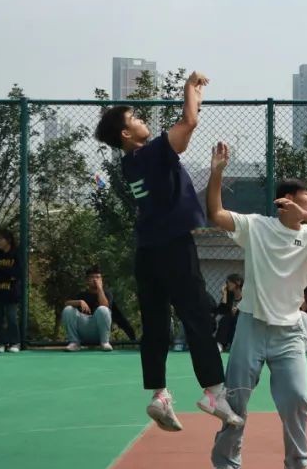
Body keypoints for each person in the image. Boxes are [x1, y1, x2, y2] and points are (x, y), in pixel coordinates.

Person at [94, 71, 240, 432]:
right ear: (126, 134)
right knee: (197, 316)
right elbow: (188, 123)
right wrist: (188, 88)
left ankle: (159, 395)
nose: (141, 119)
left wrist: (197, 95)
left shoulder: (130, 163)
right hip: (174, 246)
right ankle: (214, 393)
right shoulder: (151, 153)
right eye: (135, 118)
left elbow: (189, 121)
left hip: (147, 250)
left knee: (156, 325)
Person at [206, 141, 307, 469]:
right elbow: (216, 214)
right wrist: (217, 173)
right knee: (236, 398)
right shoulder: (257, 226)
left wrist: (306, 216)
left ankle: (297, 462)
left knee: (296, 398)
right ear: (287, 200)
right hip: (251, 324)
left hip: (291, 330)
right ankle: (227, 461)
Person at [62, 266, 136, 351]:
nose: (95, 280)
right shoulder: (81, 294)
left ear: (101, 280)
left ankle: (104, 343)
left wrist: (100, 289)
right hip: (83, 330)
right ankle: (74, 343)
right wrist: (79, 302)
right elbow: (66, 304)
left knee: (103, 309)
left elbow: (106, 308)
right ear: (87, 280)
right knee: (68, 309)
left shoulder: (107, 294)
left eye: (97, 277)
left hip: (98, 332)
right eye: (92, 277)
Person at [0, 228, 21, 353]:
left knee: (11, 317)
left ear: (8, 240)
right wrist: (7, 275)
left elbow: (17, 273)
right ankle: (0, 343)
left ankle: (14, 343)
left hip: (12, 293)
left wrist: (1, 271)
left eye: (1, 239)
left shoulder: (16, 255)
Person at [215, 274, 244, 352]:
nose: (227, 284)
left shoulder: (246, 295)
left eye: (229, 282)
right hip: (230, 318)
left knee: (236, 320)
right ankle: (220, 344)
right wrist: (224, 294)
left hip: (242, 317)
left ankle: (233, 344)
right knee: (225, 319)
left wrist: (239, 309)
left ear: (238, 282)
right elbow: (221, 310)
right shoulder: (229, 295)